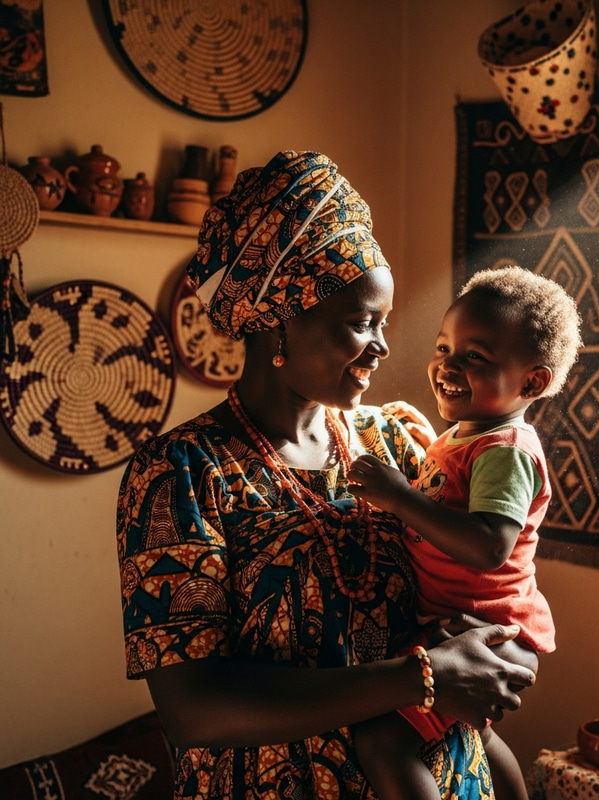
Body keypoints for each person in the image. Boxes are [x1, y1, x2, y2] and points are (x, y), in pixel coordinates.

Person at [115, 151, 539, 800]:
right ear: (280, 322)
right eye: (360, 324)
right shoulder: (182, 475)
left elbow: (482, 576)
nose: (383, 347)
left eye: (385, 323)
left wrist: (489, 649)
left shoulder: (400, 440)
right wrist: (419, 679)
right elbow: (192, 709)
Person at [347, 266, 583, 800]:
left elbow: (486, 546)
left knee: (384, 743)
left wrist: (398, 498)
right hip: (470, 622)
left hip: (490, 628)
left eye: (474, 356)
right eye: (444, 347)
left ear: (532, 382)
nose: (448, 365)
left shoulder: (505, 449)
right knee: (467, 731)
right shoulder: (467, 435)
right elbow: (451, 496)